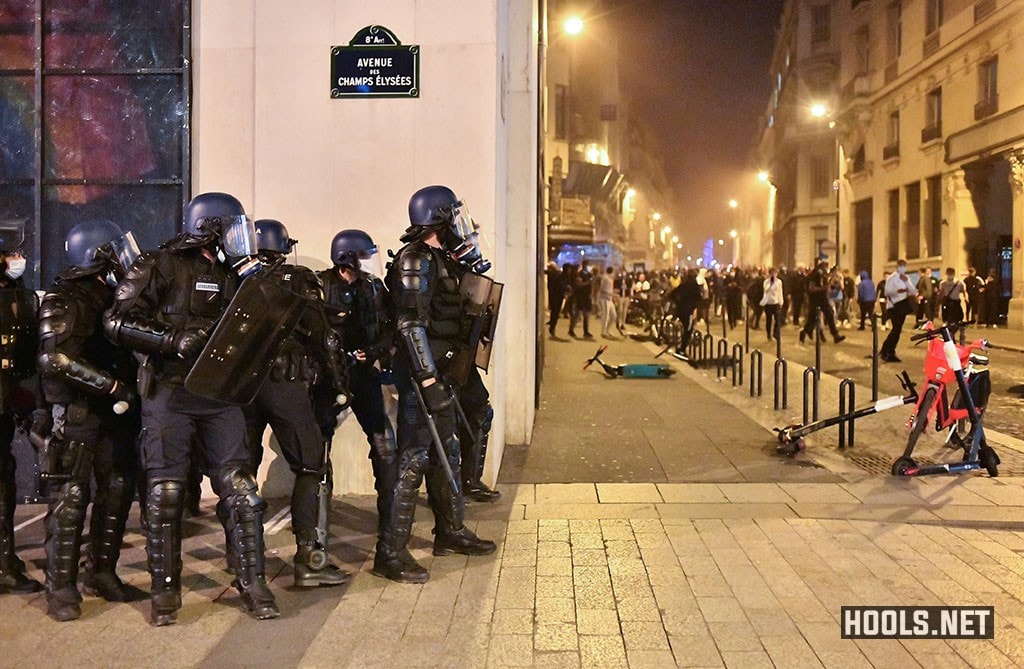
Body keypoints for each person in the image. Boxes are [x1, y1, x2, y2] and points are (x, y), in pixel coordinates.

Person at [103, 192, 279, 625]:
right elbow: (116, 320)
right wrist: (169, 340)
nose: (242, 238)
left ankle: (252, 580)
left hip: (221, 395)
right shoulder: (159, 265)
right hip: (169, 392)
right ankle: (165, 592)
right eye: (233, 228)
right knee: (165, 494)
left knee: (241, 489)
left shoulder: (236, 273)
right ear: (209, 227)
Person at [380, 184, 496, 584]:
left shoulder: (440, 259)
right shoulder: (415, 261)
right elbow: (410, 324)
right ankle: (390, 553)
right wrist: (427, 378)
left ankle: (449, 532)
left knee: (446, 451)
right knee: (413, 460)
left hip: (445, 376)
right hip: (422, 379)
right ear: (438, 218)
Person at [36, 220, 144, 621]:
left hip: (114, 413)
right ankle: (60, 588)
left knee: (116, 489)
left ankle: (102, 572)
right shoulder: (64, 297)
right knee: (70, 499)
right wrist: (112, 386)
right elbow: (55, 359)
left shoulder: (113, 294)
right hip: (79, 411)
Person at [243, 219, 349, 588]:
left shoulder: (233, 278)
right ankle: (309, 557)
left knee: (241, 474)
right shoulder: (299, 279)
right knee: (310, 466)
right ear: (284, 247)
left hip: (242, 389)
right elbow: (326, 340)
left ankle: (243, 556)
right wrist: (339, 387)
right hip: (286, 387)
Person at [319, 228, 402, 569]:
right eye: (361, 257)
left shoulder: (373, 288)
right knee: (318, 454)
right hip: (329, 378)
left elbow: (390, 330)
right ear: (346, 258)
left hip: (365, 377)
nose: (367, 264)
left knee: (385, 447)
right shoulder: (320, 286)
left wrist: (375, 351)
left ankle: (392, 530)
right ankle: (317, 540)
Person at [0, 219, 43, 596]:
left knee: (5, 477)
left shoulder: (15, 291)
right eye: (11, 254)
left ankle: (5, 557)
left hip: (8, 399)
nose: (18, 259)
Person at [880, 259, 918, 363]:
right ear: (897, 267)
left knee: (897, 329)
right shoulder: (892, 278)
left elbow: (913, 291)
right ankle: (887, 351)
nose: (902, 268)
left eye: (904, 266)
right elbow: (887, 292)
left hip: (903, 305)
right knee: (896, 329)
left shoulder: (906, 278)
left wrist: (906, 282)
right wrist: (898, 291)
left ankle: (888, 350)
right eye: (901, 265)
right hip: (894, 306)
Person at [799, 260, 845, 345]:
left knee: (830, 314)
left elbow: (827, 285)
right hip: (815, 300)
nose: (826, 269)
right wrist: (824, 288)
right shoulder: (815, 275)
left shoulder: (824, 275)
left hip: (823, 299)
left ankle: (835, 335)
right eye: (825, 267)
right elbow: (812, 288)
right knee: (811, 319)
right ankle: (804, 332)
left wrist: (833, 286)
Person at [668, 269, 701, 356]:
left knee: (684, 329)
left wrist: (678, 302)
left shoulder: (684, 284)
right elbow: (698, 298)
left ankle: (680, 347)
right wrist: (694, 307)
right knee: (688, 330)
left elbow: (672, 294)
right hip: (688, 311)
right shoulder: (695, 285)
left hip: (681, 310)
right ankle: (682, 349)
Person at [569, 260, 594, 338]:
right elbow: (578, 284)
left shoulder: (589, 274)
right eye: (586, 264)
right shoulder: (579, 274)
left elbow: (591, 285)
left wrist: (591, 294)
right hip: (580, 296)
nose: (587, 266)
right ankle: (571, 330)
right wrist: (587, 283)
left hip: (587, 296)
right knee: (577, 314)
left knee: (586, 315)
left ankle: (586, 331)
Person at [760, 267, 784, 340]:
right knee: (769, 320)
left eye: (775, 273)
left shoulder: (779, 282)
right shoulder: (766, 282)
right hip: (768, 303)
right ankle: (768, 334)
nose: (774, 274)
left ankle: (775, 334)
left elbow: (780, 292)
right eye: (772, 273)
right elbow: (766, 290)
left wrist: (781, 301)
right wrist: (771, 283)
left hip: (776, 302)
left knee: (777, 319)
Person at [545, 262, 565, 337]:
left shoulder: (554, 274)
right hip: (555, 295)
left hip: (554, 295)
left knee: (554, 311)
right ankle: (552, 325)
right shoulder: (557, 273)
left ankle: (552, 326)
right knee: (555, 311)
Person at [598, 266, 617, 338]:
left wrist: (613, 294)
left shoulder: (610, 279)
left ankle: (607, 330)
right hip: (605, 299)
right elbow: (602, 289)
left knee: (613, 315)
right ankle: (603, 331)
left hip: (610, 299)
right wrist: (613, 294)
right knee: (605, 315)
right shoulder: (605, 279)